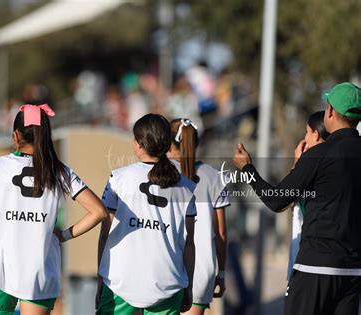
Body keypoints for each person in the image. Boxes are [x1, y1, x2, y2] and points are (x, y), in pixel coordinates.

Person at [0, 104, 108, 315]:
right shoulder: (60, 171)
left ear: (16, 135)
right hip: (40, 268)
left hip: (0, 269)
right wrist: (64, 235)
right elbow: (99, 212)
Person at [233, 82, 361, 315]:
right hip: (353, 272)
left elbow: (276, 200)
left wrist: (247, 170)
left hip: (315, 269)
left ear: (330, 111)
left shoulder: (318, 155)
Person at [96, 113, 197, 314]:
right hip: (169, 283)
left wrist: (100, 277)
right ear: (168, 145)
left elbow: (104, 233)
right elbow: (189, 243)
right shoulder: (188, 187)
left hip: (119, 282)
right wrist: (189, 287)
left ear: (138, 144)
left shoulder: (118, 178)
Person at [167, 119, 230, 315]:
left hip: (166, 265)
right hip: (202, 270)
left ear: (167, 143)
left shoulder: (157, 173)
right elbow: (220, 232)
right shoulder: (214, 176)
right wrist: (222, 272)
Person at [287, 111, 329, 279]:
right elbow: (291, 202)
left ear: (316, 135)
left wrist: (298, 163)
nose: (304, 137)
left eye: (307, 131)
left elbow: (281, 200)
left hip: (309, 265)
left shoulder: (315, 166)